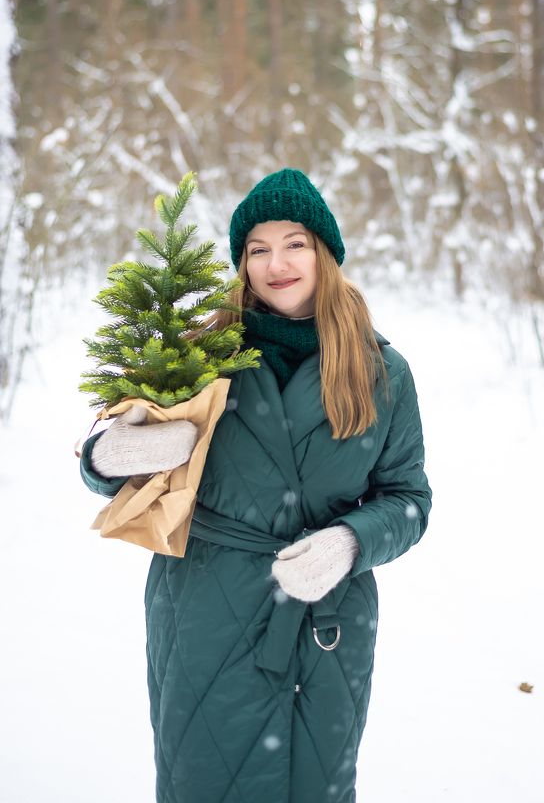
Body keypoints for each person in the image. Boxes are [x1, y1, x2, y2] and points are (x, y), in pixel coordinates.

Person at [79, 168, 431, 803]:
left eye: (295, 243)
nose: (278, 263)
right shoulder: (203, 353)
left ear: (325, 252)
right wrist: (112, 454)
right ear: (242, 262)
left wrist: (348, 544)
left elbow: (409, 500)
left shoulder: (382, 370)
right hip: (207, 607)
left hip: (327, 620)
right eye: (258, 248)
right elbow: (106, 458)